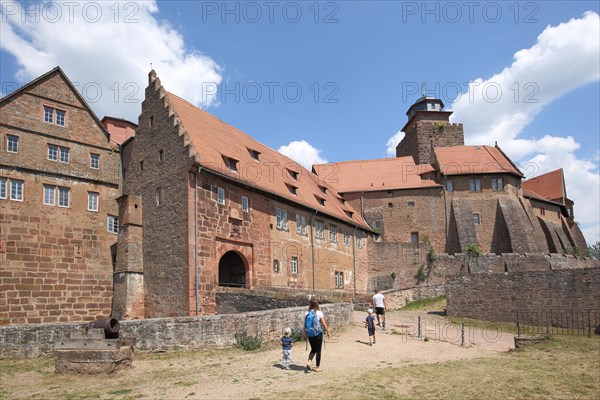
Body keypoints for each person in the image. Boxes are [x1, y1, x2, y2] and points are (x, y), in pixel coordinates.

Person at [303, 297, 330, 372]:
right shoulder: (319, 313)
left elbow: (304, 325)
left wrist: (305, 334)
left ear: (310, 304)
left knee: (313, 349)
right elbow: (324, 324)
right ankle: (317, 367)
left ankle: (309, 361)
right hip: (318, 333)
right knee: (318, 350)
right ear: (317, 304)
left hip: (310, 333)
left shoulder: (307, 313)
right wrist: (328, 331)